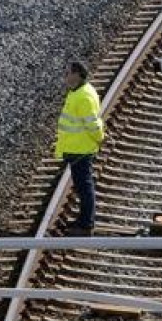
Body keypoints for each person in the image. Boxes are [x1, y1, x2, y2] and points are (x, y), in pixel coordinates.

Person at [54, 60, 104, 236]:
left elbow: (93, 124)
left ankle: (86, 224)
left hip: (81, 150)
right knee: (82, 186)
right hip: (76, 148)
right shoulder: (77, 92)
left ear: (77, 75)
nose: (65, 76)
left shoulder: (84, 96)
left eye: (68, 73)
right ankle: (84, 221)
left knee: (84, 186)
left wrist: (100, 139)